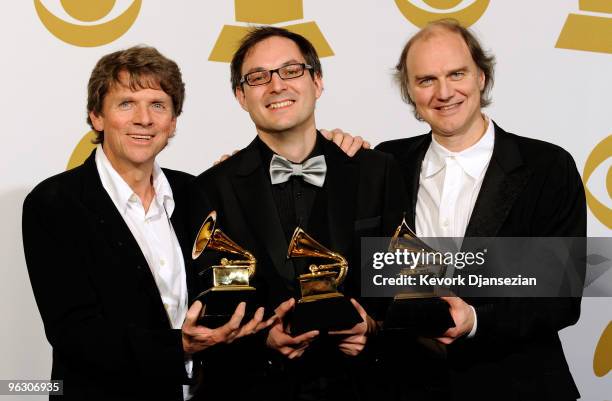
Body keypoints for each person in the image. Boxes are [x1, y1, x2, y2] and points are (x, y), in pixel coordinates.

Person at [22, 46, 272, 401]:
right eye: (126, 104)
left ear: (172, 122)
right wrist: (179, 345)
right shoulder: (54, 203)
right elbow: (73, 332)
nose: (144, 119)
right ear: (96, 116)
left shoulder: (195, 191)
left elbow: (229, 281)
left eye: (158, 105)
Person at [190, 26, 406, 401]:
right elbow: (208, 299)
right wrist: (261, 341)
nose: (276, 86)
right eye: (258, 77)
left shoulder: (378, 170)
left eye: (291, 71)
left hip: (364, 388)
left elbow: (404, 282)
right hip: (260, 391)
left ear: (317, 82)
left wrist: (373, 328)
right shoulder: (210, 188)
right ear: (241, 96)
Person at [374, 19, 586, 400]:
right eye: (426, 80)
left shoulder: (547, 166)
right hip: (407, 386)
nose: (444, 92)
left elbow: (561, 298)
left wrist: (474, 320)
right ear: (410, 91)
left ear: (482, 77)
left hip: (518, 386)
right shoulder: (386, 162)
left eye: (456, 74)